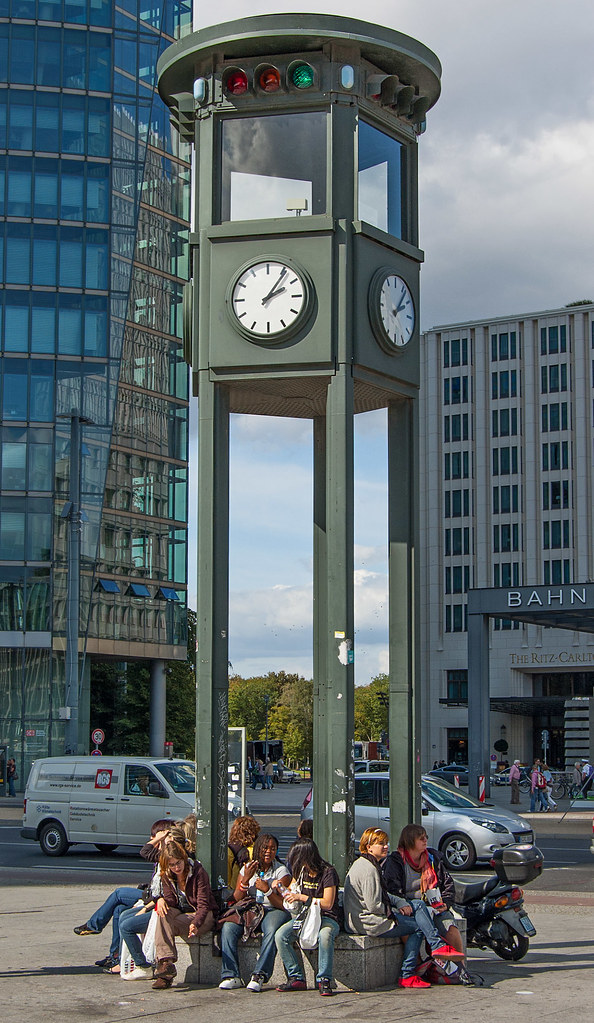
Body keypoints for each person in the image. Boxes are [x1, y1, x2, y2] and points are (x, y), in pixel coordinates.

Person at [344, 828, 459, 988]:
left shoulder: (368, 864)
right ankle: (407, 974)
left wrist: (400, 902)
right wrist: (396, 912)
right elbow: (374, 905)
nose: (385, 847)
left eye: (386, 843)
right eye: (380, 844)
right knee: (417, 927)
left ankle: (437, 945)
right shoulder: (368, 870)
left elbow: (383, 894)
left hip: (369, 916)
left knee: (417, 905)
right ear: (368, 847)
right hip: (369, 921)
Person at [74, 818, 171, 972]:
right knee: (119, 909)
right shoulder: (160, 855)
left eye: (154, 836)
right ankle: (116, 957)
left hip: (152, 898)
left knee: (119, 893)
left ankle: (94, 925)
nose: (151, 839)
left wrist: (160, 838)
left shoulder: (167, 855)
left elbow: (144, 851)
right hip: (150, 894)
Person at [382, 823, 465, 973]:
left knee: (450, 927)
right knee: (410, 926)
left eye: (426, 837)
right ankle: (419, 968)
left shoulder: (433, 859)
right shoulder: (396, 861)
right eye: (421, 838)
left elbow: (448, 885)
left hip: (434, 906)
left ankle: (461, 969)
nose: (425, 840)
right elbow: (392, 889)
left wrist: (445, 903)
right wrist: (405, 904)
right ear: (409, 841)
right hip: (409, 907)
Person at [274, 837, 340, 997]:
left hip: (327, 917)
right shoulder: (301, 871)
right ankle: (296, 976)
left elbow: (328, 903)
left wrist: (303, 898)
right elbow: (291, 891)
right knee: (281, 935)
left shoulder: (328, 872)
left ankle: (324, 979)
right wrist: (281, 889)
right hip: (306, 917)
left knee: (325, 935)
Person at [151, 837, 217, 989]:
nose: (176, 868)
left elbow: (203, 904)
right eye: (172, 865)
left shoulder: (198, 872)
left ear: (184, 859)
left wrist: (196, 923)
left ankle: (165, 975)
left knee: (163, 926)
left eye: (178, 863)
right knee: (162, 914)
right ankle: (166, 963)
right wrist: (159, 899)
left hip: (202, 915)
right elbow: (171, 903)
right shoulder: (167, 875)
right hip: (182, 914)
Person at [227, 815, 261, 889]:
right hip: (256, 889)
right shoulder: (259, 847)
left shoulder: (231, 849)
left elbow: (227, 878)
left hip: (237, 891)